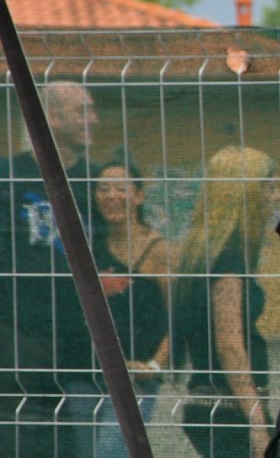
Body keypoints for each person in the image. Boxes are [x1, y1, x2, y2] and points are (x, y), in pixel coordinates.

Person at [0, 81, 100, 457]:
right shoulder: (10, 177)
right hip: (22, 340)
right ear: (51, 117)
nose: (94, 119)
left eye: (92, 110)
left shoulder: (96, 180)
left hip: (82, 342)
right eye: (82, 111)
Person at [62, 159, 172, 456]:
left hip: (132, 380)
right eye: (103, 189)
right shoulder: (85, 245)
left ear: (138, 196)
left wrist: (155, 365)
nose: (111, 196)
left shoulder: (158, 250)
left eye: (120, 188)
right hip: (84, 376)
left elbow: (180, 317)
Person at [175, 146, 276, 458]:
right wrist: (257, 420)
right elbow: (229, 343)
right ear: (244, 192)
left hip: (215, 404)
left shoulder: (204, 253)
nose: (275, 197)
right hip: (230, 410)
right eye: (268, 187)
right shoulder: (229, 259)